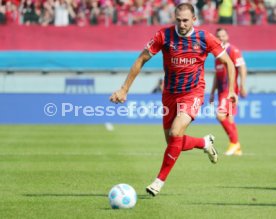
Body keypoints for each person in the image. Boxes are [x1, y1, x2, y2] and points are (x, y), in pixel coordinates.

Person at [110, 3, 237, 197]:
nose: (182, 24)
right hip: (169, 94)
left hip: (193, 93)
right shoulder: (164, 36)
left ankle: (158, 181)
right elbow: (141, 59)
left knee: (176, 132)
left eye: (186, 20)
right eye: (178, 20)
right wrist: (124, 89)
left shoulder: (204, 38)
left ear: (194, 19)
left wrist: (231, 92)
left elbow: (228, 62)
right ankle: (204, 143)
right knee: (172, 141)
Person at [209, 28, 247, 156]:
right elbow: (217, 74)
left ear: (227, 36)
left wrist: (242, 85)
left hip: (229, 90)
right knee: (229, 119)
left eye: (223, 35)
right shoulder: (217, 54)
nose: (221, 38)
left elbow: (242, 67)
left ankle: (234, 142)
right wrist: (212, 92)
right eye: (218, 36)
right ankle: (237, 148)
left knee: (220, 115)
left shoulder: (233, 50)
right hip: (221, 91)